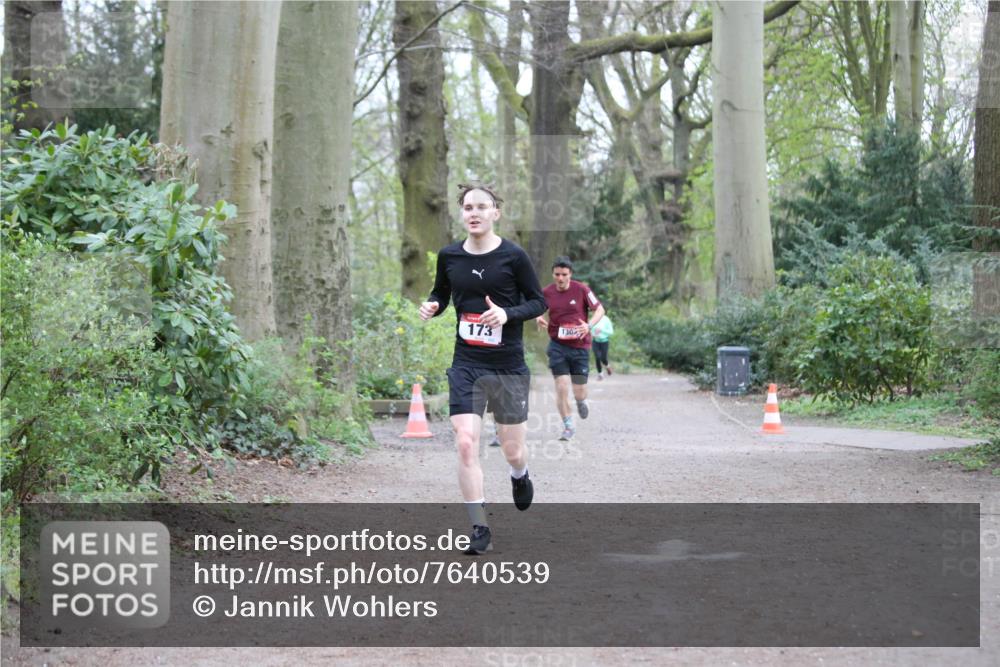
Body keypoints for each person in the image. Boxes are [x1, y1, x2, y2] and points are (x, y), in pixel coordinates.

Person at [418, 182, 546, 555]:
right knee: (465, 441)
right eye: (468, 207)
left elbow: (537, 302)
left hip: (507, 365)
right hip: (467, 363)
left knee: (513, 449)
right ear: (462, 214)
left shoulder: (513, 256)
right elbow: (441, 294)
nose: (474, 213)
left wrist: (507, 314)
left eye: (481, 207)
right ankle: (479, 527)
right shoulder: (449, 256)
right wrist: (433, 306)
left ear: (495, 213)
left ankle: (519, 474)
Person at [536, 257, 605, 440]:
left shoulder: (582, 289)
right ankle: (568, 425)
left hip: (580, 347)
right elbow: (537, 307)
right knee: (561, 386)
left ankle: (581, 401)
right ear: (553, 274)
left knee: (579, 390)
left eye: (564, 274)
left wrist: (588, 325)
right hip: (557, 346)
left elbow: (600, 310)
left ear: (570, 274)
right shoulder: (547, 292)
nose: (560, 278)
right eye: (557, 274)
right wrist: (538, 316)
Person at [591, 314, 614, 380]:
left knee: (603, 358)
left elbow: (611, 332)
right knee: (597, 357)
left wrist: (601, 330)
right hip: (595, 341)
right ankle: (600, 374)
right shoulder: (593, 318)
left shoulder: (606, 319)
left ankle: (607, 366)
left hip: (604, 342)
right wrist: (593, 334)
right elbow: (590, 329)